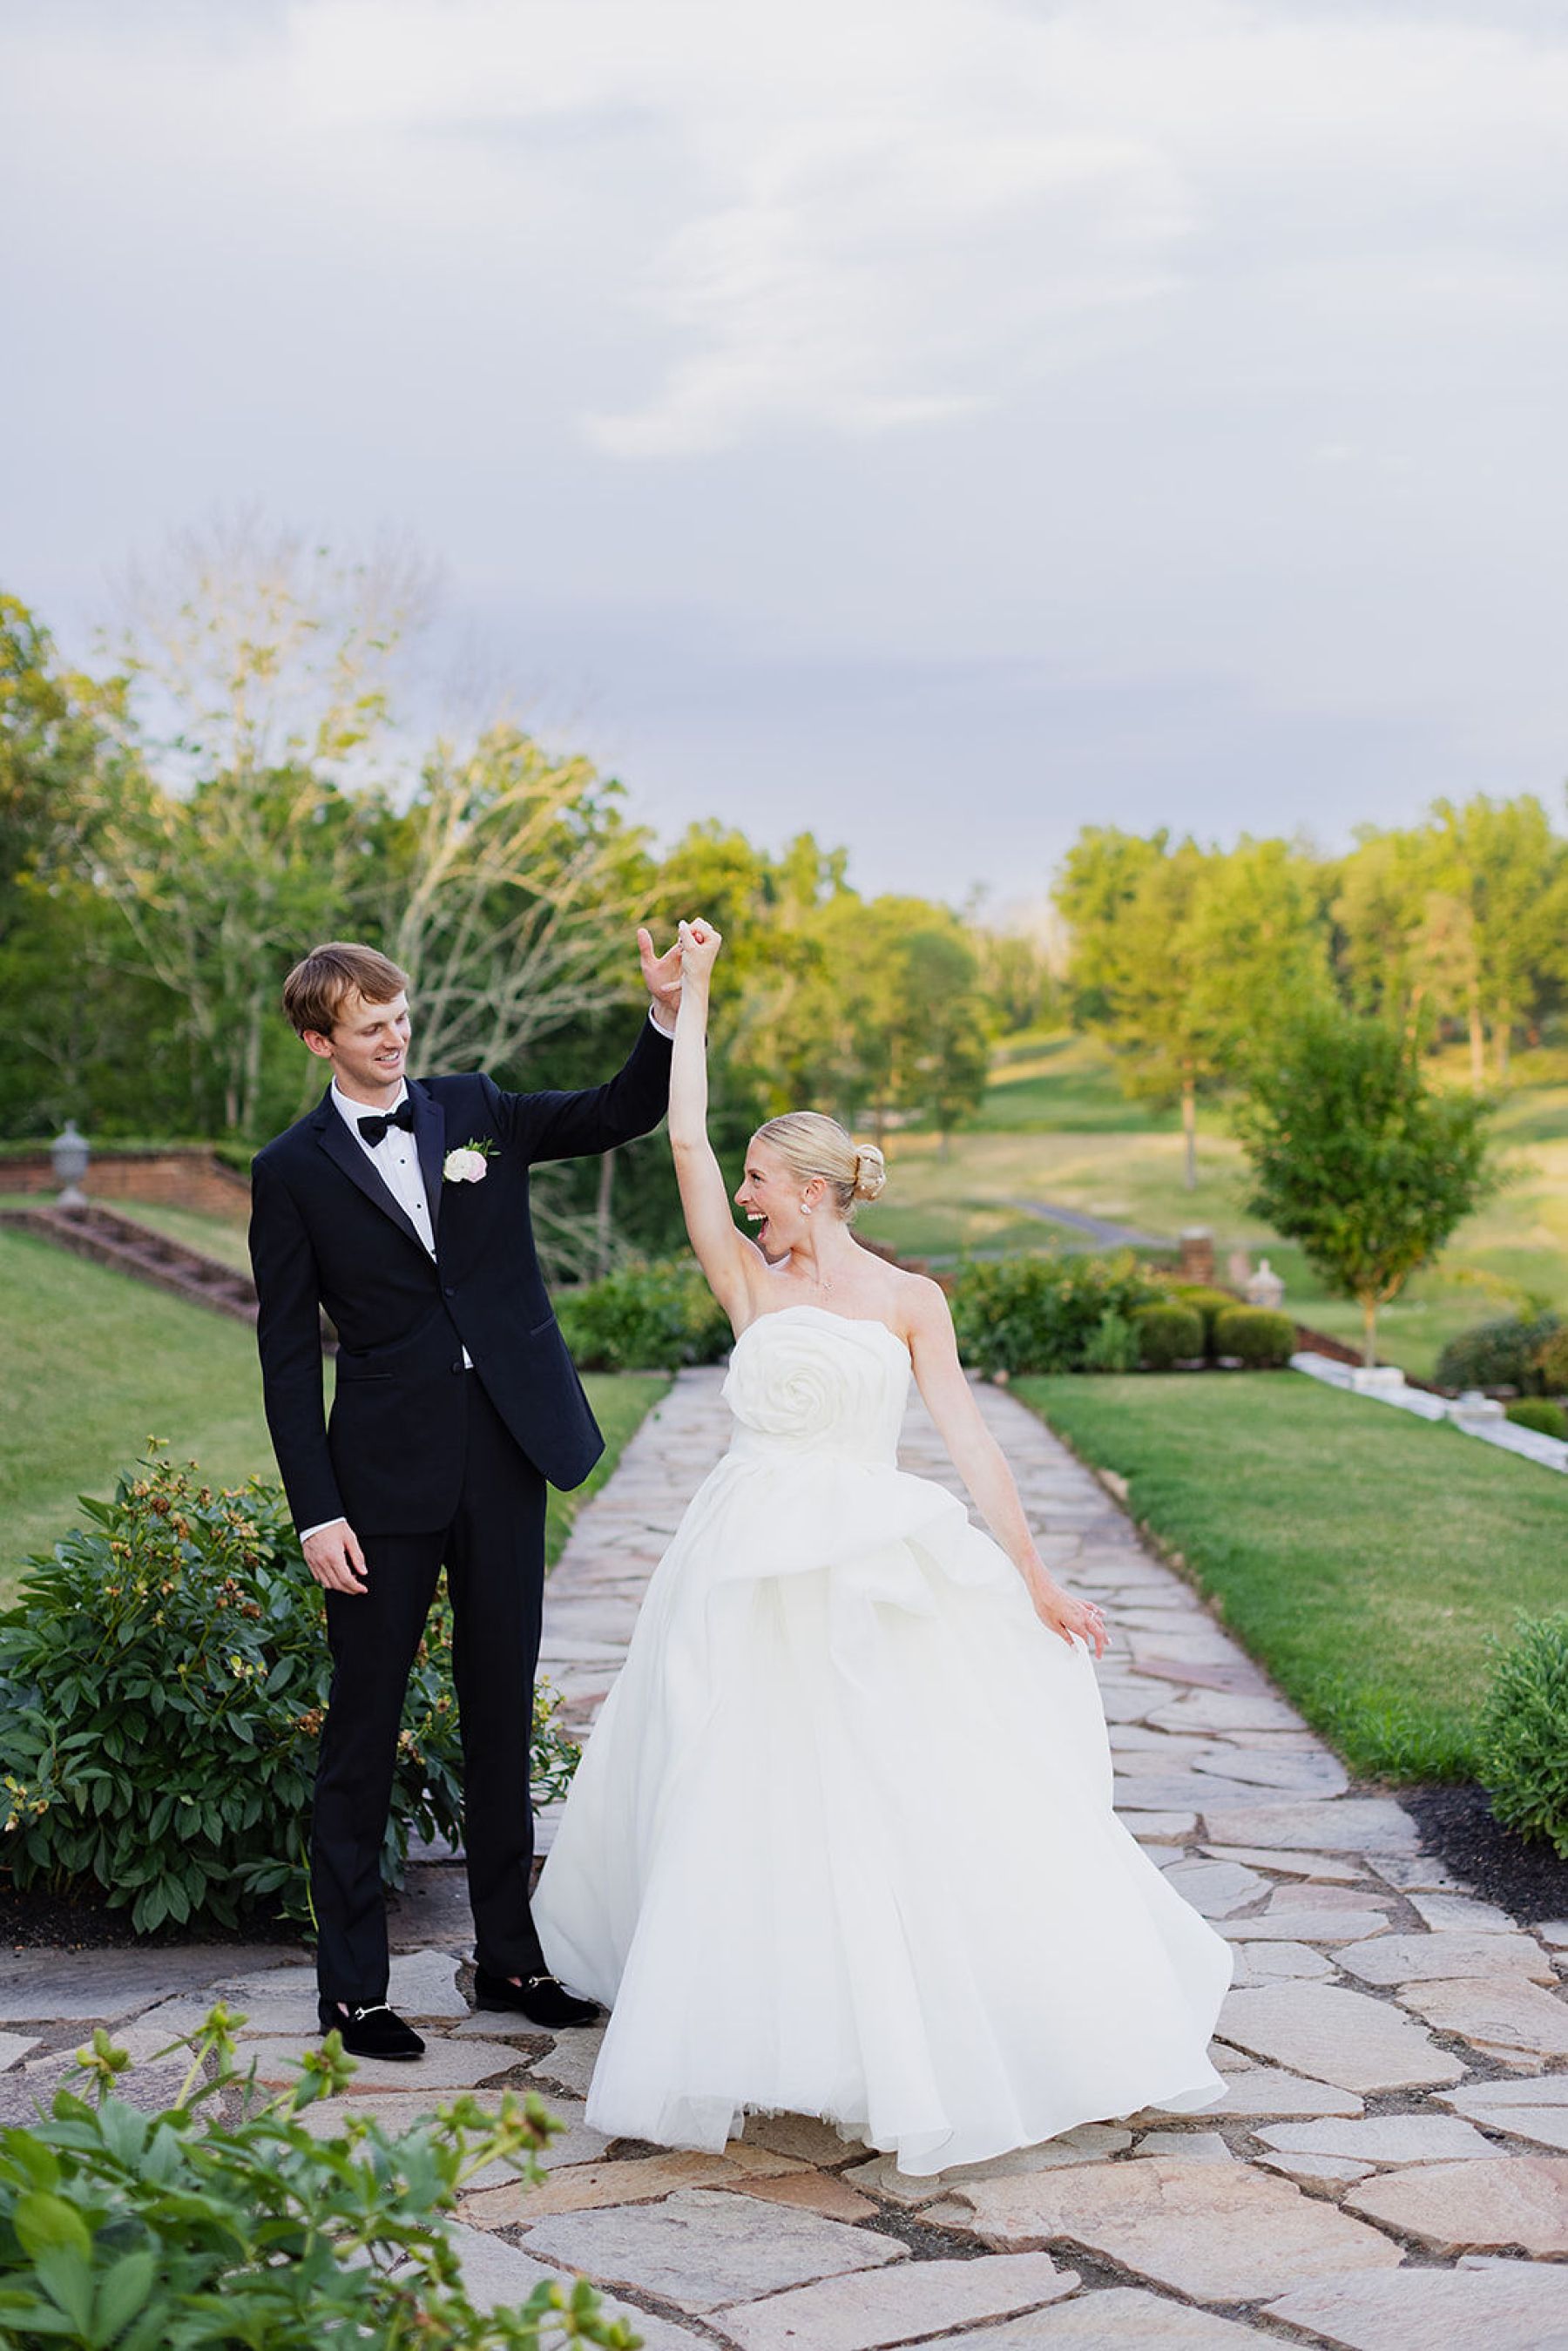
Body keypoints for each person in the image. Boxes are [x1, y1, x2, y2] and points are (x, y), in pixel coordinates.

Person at [534, 919, 1233, 2173]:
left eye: (761, 1183)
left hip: (866, 1557)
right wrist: (689, 999)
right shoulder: (750, 1284)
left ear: (813, 1189)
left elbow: (973, 1449)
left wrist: (1035, 1574)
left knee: (887, 1788)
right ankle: (748, 2023)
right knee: (732, 1789)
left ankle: (906, 2032)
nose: (742, 1198)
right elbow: (684, 1139)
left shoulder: (914, 1304)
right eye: (742, 1186)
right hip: (741, 1566)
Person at [249, 931, 684, 2060]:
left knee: (500, 1711)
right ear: (318, 1041)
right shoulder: (290, 1171)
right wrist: (316, 1509)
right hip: (378, 1484)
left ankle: (509, 1959)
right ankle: (352, 1991)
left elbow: (616, 1110)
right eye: (369, 1026)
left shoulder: (474, 1107)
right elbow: (288, 1355)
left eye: (400, 1017)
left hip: (504, 1456)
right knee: (364, 1728)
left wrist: (665, 1016)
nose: (394, 1039)